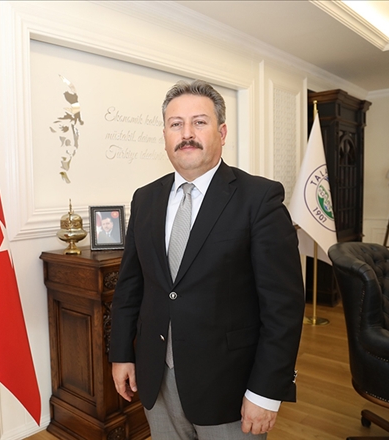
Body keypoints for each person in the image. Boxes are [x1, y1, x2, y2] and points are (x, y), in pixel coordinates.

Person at [109, 80, 304, 440]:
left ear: (222, 131)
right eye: (175, 124)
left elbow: (284, 307)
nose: (187, 134)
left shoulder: (259, 199)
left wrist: (266, 391)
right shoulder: (145, 198)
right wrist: (121, 354)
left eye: (199, 122)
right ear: (165, 134)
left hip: (229, 387)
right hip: (158, 380)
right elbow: (130, 287)